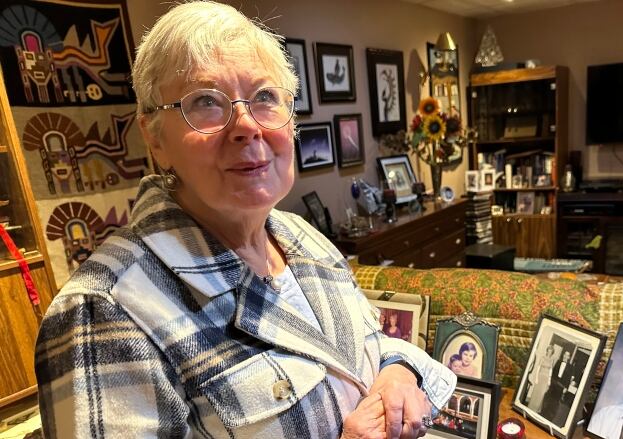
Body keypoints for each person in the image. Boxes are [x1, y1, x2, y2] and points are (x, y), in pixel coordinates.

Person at [33, 2, 456, 438]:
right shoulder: (102, 312)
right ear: (155, 139)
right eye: (205, 102)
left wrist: (397, 372)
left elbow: (366, 347)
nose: (247, 126)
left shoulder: (302, 237)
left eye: (265, 97)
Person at [541, 350, 575, 422]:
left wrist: (566, 387)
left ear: (569, 357)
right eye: (565, 354)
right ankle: (543, 413)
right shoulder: (558, 362)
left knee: (555, 402)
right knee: (548, 397)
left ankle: (550, 417)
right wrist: (550, 381)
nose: (565, 356)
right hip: (554, 383)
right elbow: (553, 372)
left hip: (561, 386)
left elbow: (569, 379)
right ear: (563, 355)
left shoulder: (570, 367)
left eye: (567, 355)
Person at [527, 345, 556, 412]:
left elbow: (551, 370)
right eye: (548, 351)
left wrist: (549, 380)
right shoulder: (542, 357)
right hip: (540, 376)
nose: (549, 352)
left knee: (542, 394)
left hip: (546, 378)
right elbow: (538, 368)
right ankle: (531, 406)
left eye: (551, 352)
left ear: (552, 352)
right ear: (547, 351)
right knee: (536, 392)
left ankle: (536, 408)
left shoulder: (552, 360)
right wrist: (536, 378)